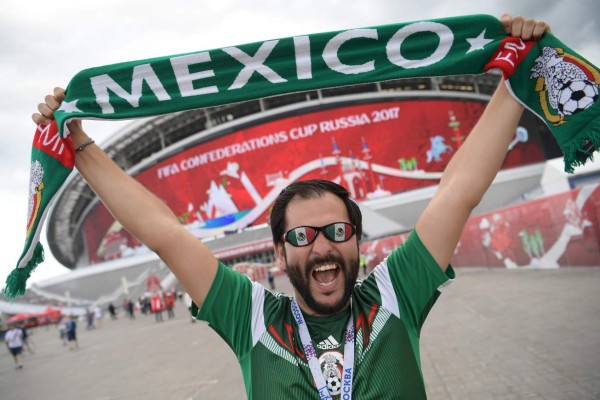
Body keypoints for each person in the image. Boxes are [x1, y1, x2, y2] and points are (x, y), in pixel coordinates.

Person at [33, 15, 549, 399]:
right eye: (302, 237)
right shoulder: (251, 316)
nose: (322, 247)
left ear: (357, 239)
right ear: (281, 253)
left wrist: (516, 77)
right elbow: (164, 232)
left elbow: (456, 192)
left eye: (336, 231)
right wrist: (79, 146)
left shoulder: (395, 294)